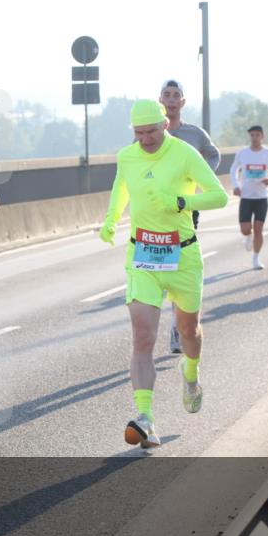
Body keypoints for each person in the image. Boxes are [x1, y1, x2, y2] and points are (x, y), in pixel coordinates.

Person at [98, 100, 228, 449]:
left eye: (151, 132)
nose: (145, 140)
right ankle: (145, 418)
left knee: (189, 330)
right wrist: (111, 220)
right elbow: (121, 187)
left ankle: (191, 374)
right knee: (142, 336)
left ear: (164, 125)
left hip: (183, 255)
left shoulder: (184, 153)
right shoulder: (127, 156)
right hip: (142, 255)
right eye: (138, 133)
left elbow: (219, 197)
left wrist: (183, 202)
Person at [159, 80, 220, 353]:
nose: (171, 100)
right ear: (160, 99)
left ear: (183, 102)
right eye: (167, 95)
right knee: (159, 268)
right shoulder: (148, 132)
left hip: (185, 209)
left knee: (177, 265)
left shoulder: (195, 135)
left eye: (176, 96)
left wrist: (199, 179)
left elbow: (214, 155)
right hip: (154, 213)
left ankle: (176, 326)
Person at [229, 125, 268, 270]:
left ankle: (256, 258)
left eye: (257, 135)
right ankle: (248, 236)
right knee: (246, 229)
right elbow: (233, 169)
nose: (254, 138)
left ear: (262, 137)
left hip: (261, 197)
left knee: (259, 228)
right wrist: (235, 186)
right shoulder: (242, 153)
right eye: (252, 135)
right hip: (246, 196)